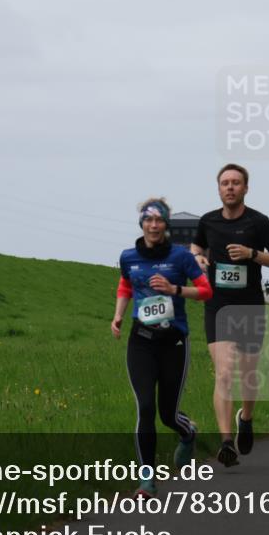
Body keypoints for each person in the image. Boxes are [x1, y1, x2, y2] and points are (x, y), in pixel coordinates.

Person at [112, 199, 213, 498]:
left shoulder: (180, 257)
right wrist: (118, 314)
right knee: (145, 408)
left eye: (159, 220)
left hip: (174, 343)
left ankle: (187, 432)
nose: (153, 225)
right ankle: (147, 480)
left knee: (167, 415)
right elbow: (125, 286)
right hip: (140, 341)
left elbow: (206, 291)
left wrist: (175, 290)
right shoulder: (128, 257)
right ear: (141, 223)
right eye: (148, 220)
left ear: (166, 224)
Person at [191, 164, 269, 468]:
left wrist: (252, 254)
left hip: (249, 306)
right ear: (218, 189)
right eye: (224, 183)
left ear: (245, 188)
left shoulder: (259, 222)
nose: (230, 187)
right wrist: (198, 257)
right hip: (218, 305)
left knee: (248, 374)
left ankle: (246, 417)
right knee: (225, 372)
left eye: (235, 183)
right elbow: (195, 246)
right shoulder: (208, 221)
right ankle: (226, 442)